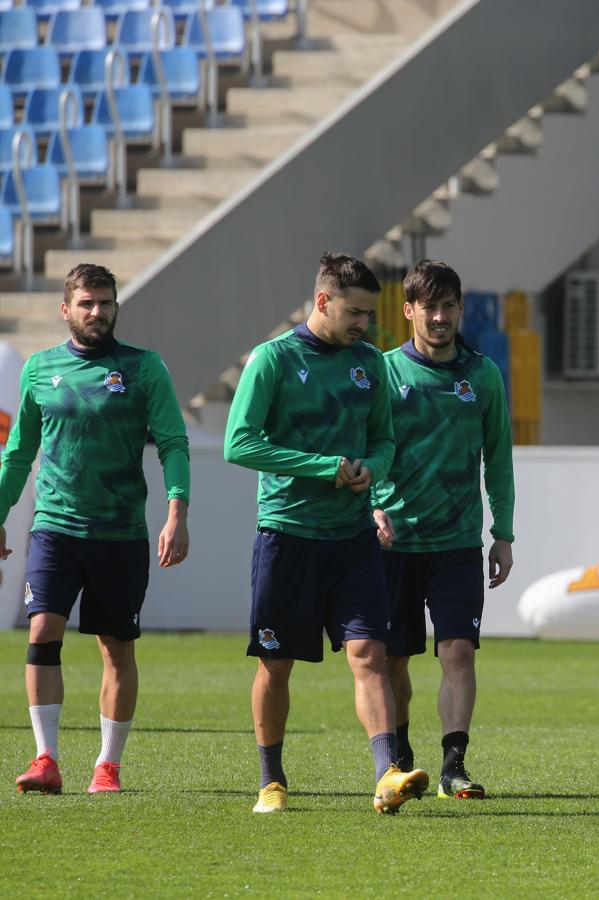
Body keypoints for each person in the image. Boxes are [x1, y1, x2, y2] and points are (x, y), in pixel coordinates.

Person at [224, 252, 429, 814]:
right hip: (287, 536)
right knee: (277, 664)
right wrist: (325, 466)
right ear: (322, 301)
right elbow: (238, 443)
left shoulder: (370, 363)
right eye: (356, 312)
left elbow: (385, 440)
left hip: (353, 538)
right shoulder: (272, 359)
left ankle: (387, 773)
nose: (365, 325)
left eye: (370, 313)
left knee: (369, 652)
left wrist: (374, 468)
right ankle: (271, 780)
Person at [0, 263, 190, 795]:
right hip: (55, 529)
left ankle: (108, 765)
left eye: (105, 302)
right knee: (42, 633)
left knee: (116, 646)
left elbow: (173, 443)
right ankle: (46, 759)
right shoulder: (39, 368)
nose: (97, 312)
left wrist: (178, 511)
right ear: (66, 309)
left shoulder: (143, 367)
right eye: (86, 303)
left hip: (120, 532)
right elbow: (19, 455)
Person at [371, 260, 515, 800]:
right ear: (408, 310)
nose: (438, 316)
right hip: (394, 543)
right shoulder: (383, 372)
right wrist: (369, 509)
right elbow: (361, 453)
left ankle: (454, 764)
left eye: (448, 306)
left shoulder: (482, 375)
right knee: (393, 659)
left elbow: (499, 459)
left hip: (457, 544)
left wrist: (503, 532)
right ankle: (401, 757)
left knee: (458, 651)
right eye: (428, 307)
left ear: (458, 308)